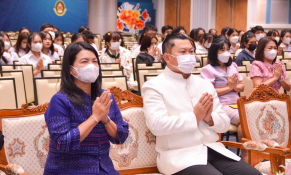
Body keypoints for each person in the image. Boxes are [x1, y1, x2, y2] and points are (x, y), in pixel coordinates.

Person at [142, 33, 260, 175]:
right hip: (179, 155)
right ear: (167, 57)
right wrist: (195, 117)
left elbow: (223, 124)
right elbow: (157, 125)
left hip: (213, 149)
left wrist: (209, 119)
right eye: (183, 52)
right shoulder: (154, 86)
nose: (190, 56)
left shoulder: (204, 84)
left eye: (191, 51)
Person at [44, 42, 128, 174]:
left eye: (95, 61)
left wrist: (105, 119)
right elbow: (63, 143)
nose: (91, 66)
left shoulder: (104, 96)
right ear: (71, 69)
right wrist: (95, 117)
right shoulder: (60, 100)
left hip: (104, 169)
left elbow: (122, 136)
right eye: (84, 61)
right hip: (68, 170)